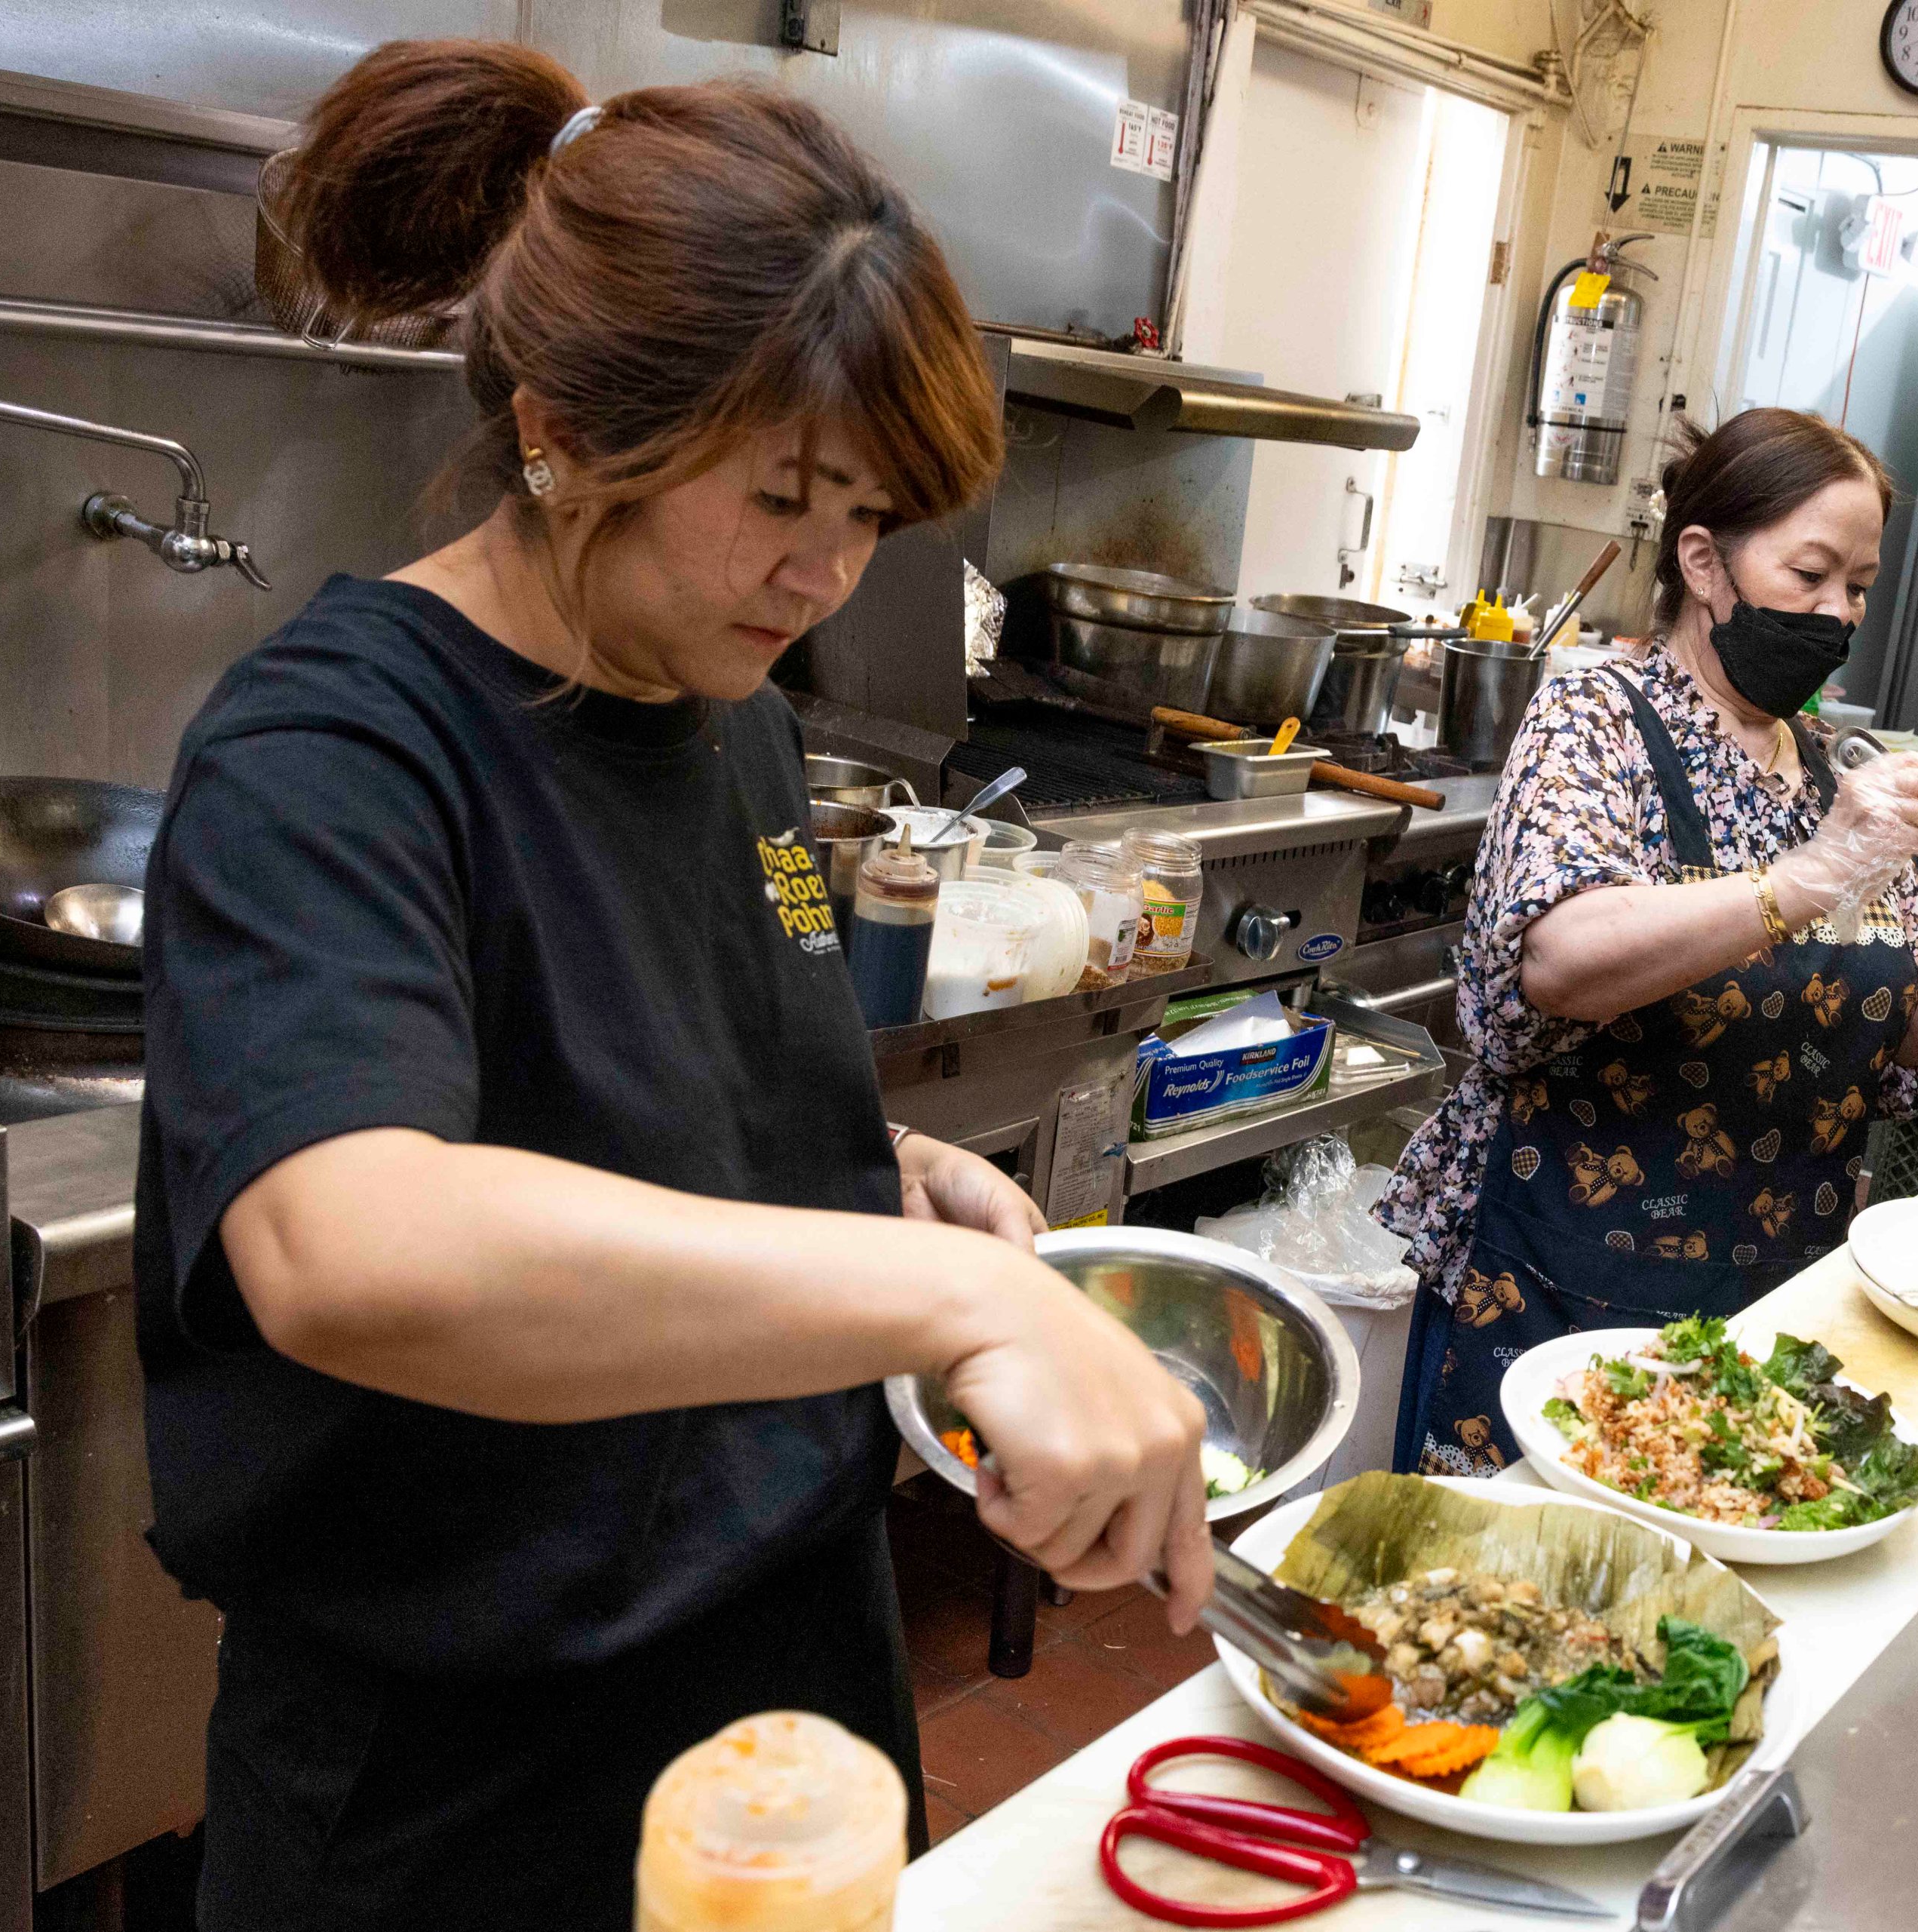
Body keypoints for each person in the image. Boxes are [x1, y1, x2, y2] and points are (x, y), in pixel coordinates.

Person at [133, 41, 1211, 1926]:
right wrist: (940, 1289)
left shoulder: (745, 733)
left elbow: (655, 1068)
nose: (823, 569)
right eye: (784, 493)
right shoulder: (338, 744)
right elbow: (353, 1243)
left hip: (794, 1690)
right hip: (466, 1779)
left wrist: (870, 1164)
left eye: (870, 513)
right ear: (558, 430)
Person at [1379, 408, 1918, 1473]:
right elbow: (1563, 959)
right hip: (1555, 1291)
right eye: (1809, 573)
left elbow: (1897, 1024)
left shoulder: (1830, 768)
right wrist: (1809, 876)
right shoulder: (1598, 720)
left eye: (1857, 586)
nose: (1835, 612)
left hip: (1768, 1297)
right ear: (1706, 562)